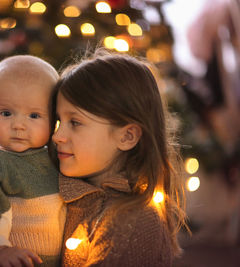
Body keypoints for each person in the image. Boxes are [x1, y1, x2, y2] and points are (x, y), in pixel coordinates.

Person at [51, 48, 188, 266]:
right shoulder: (60, 195)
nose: (57, 136)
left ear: (127, 136)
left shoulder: (135, 222)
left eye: (75, 123)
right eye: (58, 121)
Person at [0, 55, 66, 267]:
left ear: (53, 118)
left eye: (34, 116)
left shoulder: (57, 155)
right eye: (6, 113)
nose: (18, 125)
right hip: (14, 261)